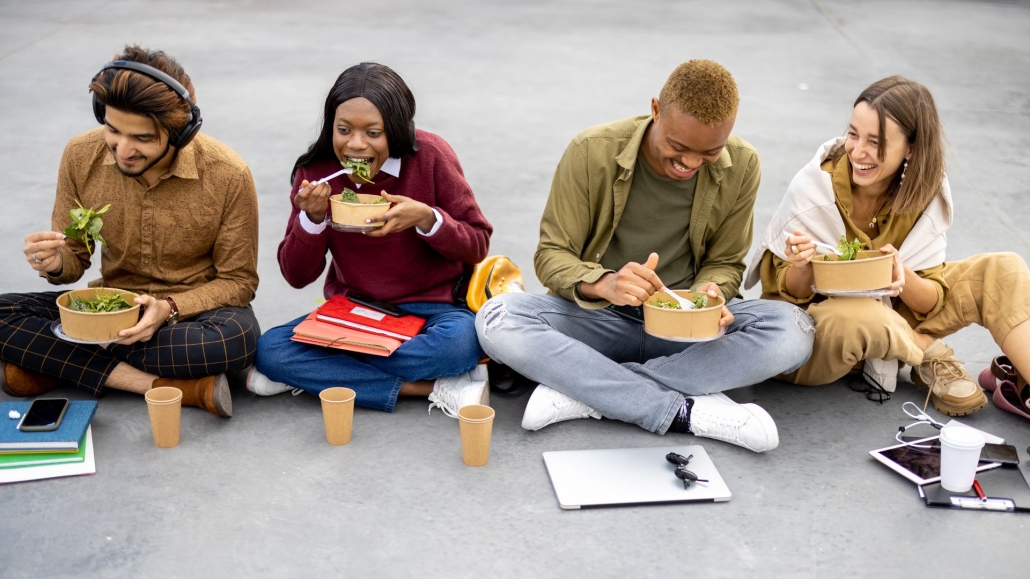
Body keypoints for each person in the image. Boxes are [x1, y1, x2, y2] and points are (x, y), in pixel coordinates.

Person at [475, 60, 814, 453]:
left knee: (795, 329)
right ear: (655, 109)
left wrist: (711, 292)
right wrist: (607, 283)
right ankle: (684, 411)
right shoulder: (591, 151)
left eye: (709, 152)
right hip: (598, 320)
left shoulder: (743, 163)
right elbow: (552, 256)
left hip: (688, 333)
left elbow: (726, 262)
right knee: (498, 317)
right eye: (678, 147)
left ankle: (587, 391)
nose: (689, 163)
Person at [745, 75, 1030, 418]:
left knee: (1003, 268)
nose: (857, 151)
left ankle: (936, 355)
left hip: (894, 316)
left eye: (875, 142)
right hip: (821, 337)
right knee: (862, 314)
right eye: (853, 134)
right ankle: (928, 354)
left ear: (911, 147)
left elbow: (931, 300)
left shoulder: (924, 192)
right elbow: (784, 297)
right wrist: (803, 266)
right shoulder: (813, 190)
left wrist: (902, 275)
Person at [0, 45, 260, 417]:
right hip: (108, 310)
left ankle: (52, 360)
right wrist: (56, 262)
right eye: (112, 130)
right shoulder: (80, 155)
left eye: (142, 138)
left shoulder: (229, 175)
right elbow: (74, 260)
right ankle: (162, 386)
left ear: (180, 132)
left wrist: (169, 308)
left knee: (237, 340)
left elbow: (239, 282)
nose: (123, 150)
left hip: (188, 318)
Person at [249, 63, 493, 416]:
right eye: (343, 129)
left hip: (435, 310)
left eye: (373, 132)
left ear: (395, 130)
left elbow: (477, 243)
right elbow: (296, 275)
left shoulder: (431, 156)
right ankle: (428, 388)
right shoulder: (316, 174)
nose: (356, 145)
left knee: (457, 346)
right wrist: (312, 219)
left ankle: (320, 376)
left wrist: (427, 218)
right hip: (355, 309)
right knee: (271, 350)